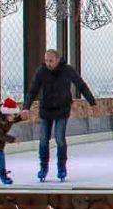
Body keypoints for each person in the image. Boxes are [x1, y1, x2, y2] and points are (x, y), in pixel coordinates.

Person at [23, 48, 97, 182]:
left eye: (51, 61)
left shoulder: (67, 70)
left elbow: (81, 85)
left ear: (57, 60)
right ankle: (43, 167)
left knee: (59, 138)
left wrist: (92, 102)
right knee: (43, 140)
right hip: (46, 110)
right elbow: (32, 90)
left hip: (62, 109)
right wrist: (25, 107)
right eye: (46, 61)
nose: (48, 63)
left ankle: (61, 167)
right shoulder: (41, 71)